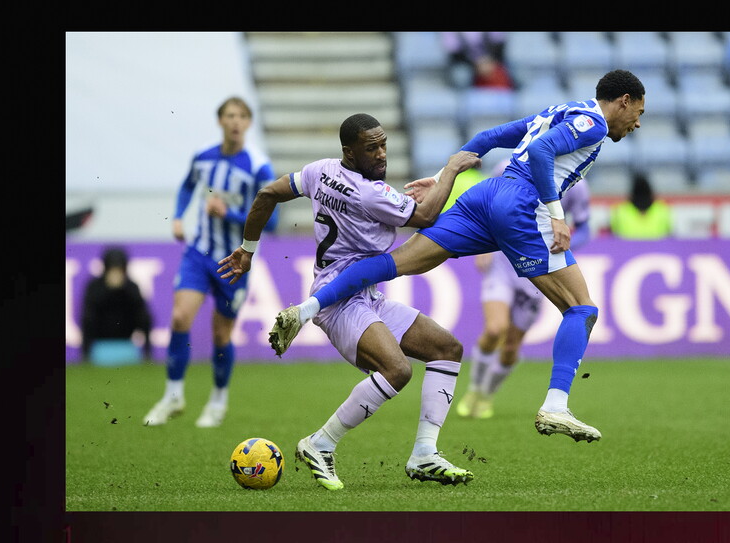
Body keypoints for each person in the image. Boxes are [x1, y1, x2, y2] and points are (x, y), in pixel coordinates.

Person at [255, 69, 646, 444]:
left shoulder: (563, 110)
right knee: (581, 309)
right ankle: (556, 405)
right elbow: (543, 151)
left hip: (486, 194)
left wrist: (445, 174)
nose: (638, 124)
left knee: (399, 261)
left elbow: (490, 136)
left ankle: (306, 309)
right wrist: (557, 216)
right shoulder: (592, 123)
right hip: (522, 207)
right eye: (639, 113)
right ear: (624, 102)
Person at [218, 113, 482, 489]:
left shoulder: (318, 170)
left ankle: (425, 453)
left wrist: (247, 250)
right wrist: (452, 168)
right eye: (371, 148)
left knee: (446, 348)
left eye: (384, 144)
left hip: (364, 295)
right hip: (339, 300)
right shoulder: (370, 192)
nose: (382, 154)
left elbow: (267, 194)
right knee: (397, 371)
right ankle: (320, 443)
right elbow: (425, 215)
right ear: (349, 151)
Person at [143, 96, 278, 428]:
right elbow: (187, 186)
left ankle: (218, 400)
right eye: (230, 115)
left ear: (248, 123)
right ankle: (173, 394)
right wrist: (177, 217)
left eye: (242, 116)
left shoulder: (259, 167)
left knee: (221, 334)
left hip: (235, 261)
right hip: (199, 253)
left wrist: (229, 213)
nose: (235, 122)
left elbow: (272, 224)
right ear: (220, 121)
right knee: (179, 317)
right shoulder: (203, 157)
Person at [454, 160, 592, 419]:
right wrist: (484, 246)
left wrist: (567, 245)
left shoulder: (578, 185)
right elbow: (489, 208)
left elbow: (585, 227)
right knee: (495, 329)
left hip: (541, 270)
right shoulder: (509, 166)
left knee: (510, 348)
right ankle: (474, 389)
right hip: (503, 264)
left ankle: (487, 395)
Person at [80, 246, 152, 363]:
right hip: (99, 345)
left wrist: (122, 289)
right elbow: (87, 318)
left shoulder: (131, 287)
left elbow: (143, 317)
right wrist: (108, 290)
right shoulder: (94, 287)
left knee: (145, 316)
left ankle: (148, 355)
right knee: (87, 317)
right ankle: (86, 357)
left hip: (127, 344)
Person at [440, 32, 515, 90]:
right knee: (461, 76)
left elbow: (499, 46)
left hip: (491, 62)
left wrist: (489, 62)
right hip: (466, 64)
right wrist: (477, 64)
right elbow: (455, 54)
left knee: (509, 73)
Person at [609, 172, 673, 239]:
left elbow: (612, 236)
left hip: (628, 248)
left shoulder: (619, 210)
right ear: (651, 194)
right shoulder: (662, 209)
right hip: (656, 248)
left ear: (631, 195)